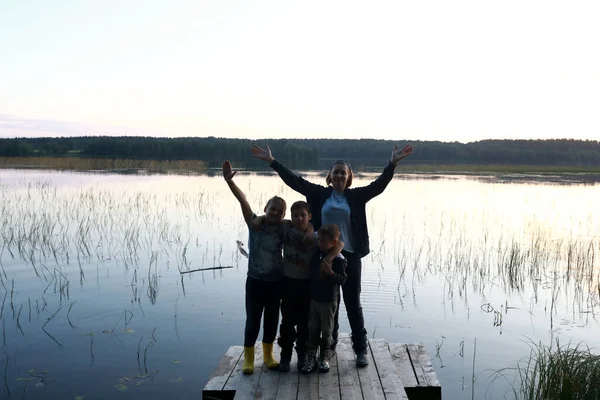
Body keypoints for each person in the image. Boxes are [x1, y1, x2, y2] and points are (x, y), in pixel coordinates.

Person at [251, 143, 413, 367]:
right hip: (322, 256)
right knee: (328, 303)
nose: (339, 175)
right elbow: (295, 181)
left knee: (353, 304)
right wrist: (272, 161)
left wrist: (392, 163)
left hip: (350, 257)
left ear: (348, 178)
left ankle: (360, 350)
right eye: (335, 172)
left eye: (343, 173)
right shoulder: (319, 194)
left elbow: (379, 186)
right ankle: (329, 348)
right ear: (329, 176)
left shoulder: (356, 196)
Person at [250, 201, 343, 372]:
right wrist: (260, 218)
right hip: (288, 283)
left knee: (304, 323)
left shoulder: (316, 236)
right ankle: (285, 355)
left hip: (306, 285)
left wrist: (329, 259)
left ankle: (302, 355)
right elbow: (271, 217)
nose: (299, 219)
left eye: (303, 215)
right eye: (295, 216)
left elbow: (339, 244)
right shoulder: (286, 228)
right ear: (290, 218)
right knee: (286, 323)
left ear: (310, 217)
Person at [222, 160, 284, 375]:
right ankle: (248, 358)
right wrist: (230, 182)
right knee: (252, 322)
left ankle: (268, 355)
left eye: (279, 211)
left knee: (272, 321)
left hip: (276, 283)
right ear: (265, 209)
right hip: (255, 282)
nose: (275, 213)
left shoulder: (284, 228)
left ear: (283, 215)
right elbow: (243, 199)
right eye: (272, 209)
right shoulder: (254, 223)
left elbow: (305, 222)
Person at [302, 224, 347, 374]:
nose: (320, 243)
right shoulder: (317, 254)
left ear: (334, 243)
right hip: (314, 299)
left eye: (324, 241)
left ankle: (324, 358)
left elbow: (342, 280)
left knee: (327, 331)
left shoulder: (339, 260)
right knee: (312, 329)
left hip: (329, 301)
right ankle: (311, 359)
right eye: (319, 240)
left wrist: (330, 273)